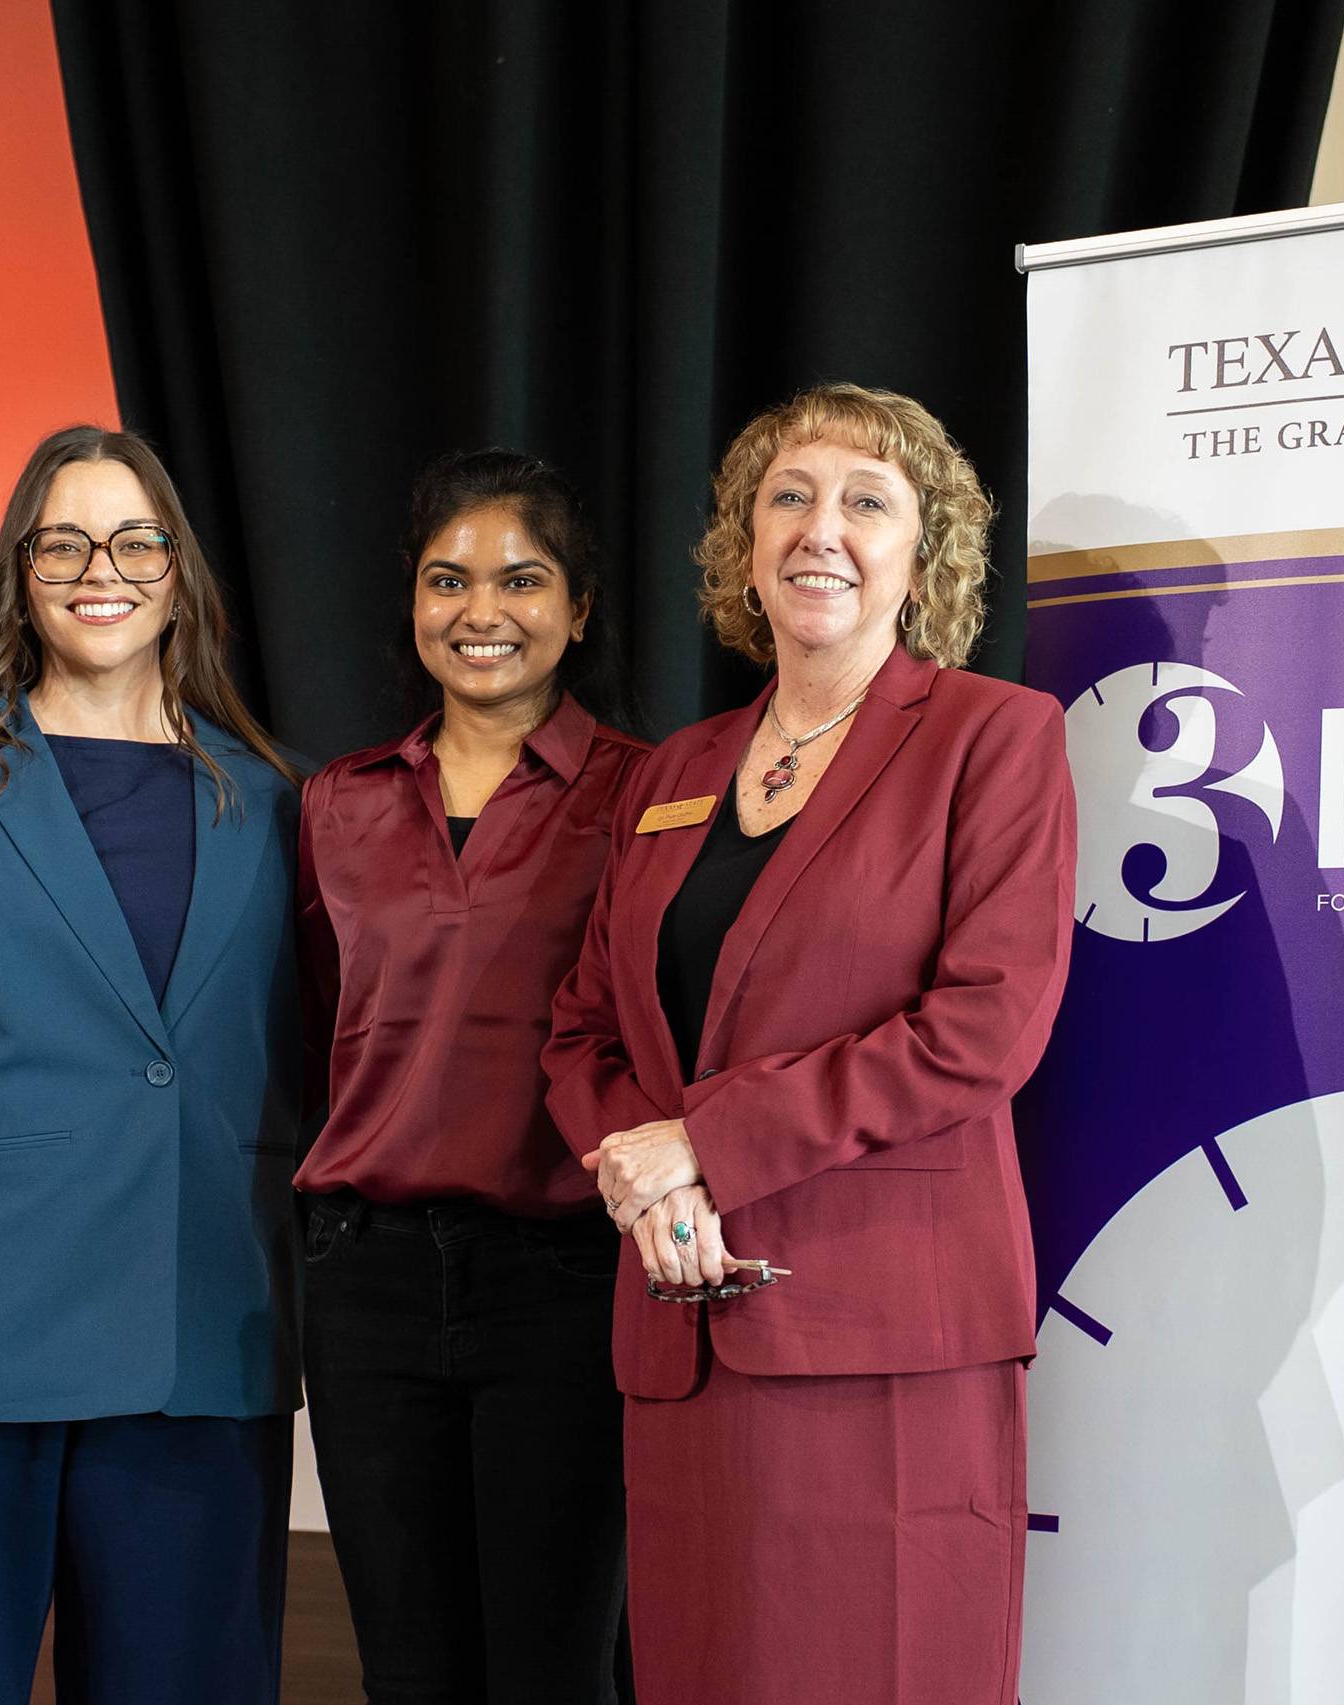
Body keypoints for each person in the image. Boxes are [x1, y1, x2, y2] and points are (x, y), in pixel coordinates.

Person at [542, 384, 1077, 1705]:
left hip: (883, 1334)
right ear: (742, 541)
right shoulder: (674, 773)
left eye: (866, 500)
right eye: (788, 495)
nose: (820, 528)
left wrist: (705, 1149)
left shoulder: (994, 738)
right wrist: (647, 1179)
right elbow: (581, 1028)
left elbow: (981, 1031)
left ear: (924, 549)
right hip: (688, 1321)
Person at [0, 425, 305, 1704]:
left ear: (178, 570)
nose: (103, 568)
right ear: (20, 571)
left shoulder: (272, 801)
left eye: (137, 539)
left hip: (199, 1343)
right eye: (66, 540)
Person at [294, 450, 650, 1702]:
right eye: (447, 579)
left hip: (559, 1278)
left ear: (579, 608)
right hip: (364, 1280)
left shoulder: (647, 795)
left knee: (555, 1670)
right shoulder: (336, 802)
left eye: (521, 579)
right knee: (407, 1667)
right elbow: (304, 1032)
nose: (480, 610)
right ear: (410, 600)